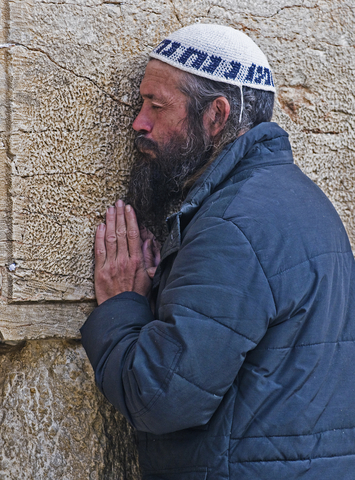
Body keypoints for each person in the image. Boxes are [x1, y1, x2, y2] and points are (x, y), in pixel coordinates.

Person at [80, 24, 355, 479]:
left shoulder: (234, 225)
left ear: (216, 116)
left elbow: (161, 398)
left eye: (156, 105)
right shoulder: (304, 200)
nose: (138, 122)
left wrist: (121, 307)